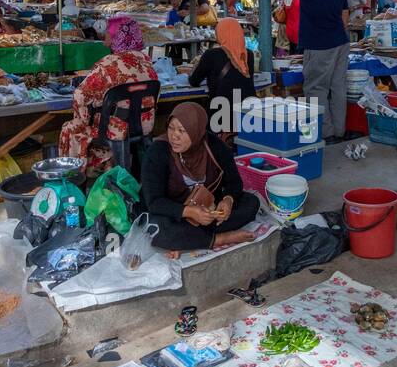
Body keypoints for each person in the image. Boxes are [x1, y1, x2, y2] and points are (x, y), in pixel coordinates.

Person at [140, 102, 260, 258]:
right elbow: (154, 202)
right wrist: (189, 211)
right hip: (174, 214)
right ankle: (219, 239)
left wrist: (228, 200)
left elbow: (234, 182)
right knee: (154, 227)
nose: (174, 136)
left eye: (182, 130)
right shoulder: (157, 152)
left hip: (207, 212)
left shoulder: (214, 146)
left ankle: (189, 240)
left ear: (196, 131)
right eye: (171, 128)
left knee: (251, 202)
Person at [265, 0, 351, 143]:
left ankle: (327, 133)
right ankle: (340, 130)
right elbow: (345, 18)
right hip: (341, 42)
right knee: (338, 86)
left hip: (320, 45)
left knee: (316, 88)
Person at [58, 17, 159, 178]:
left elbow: (80, 96)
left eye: (108, 32)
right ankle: (109, 166)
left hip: (116, 129)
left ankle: (74, 178)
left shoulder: (108, 64)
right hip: (144, 126)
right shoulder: (146, 62)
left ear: (117, 36)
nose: (105, 35)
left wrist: (83, 120)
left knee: (70, 128)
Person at [189, 17, 256, 137]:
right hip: (247, 114)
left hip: (221, 114)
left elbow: (194, 81)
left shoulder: (211, 55)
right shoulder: (248, 55)